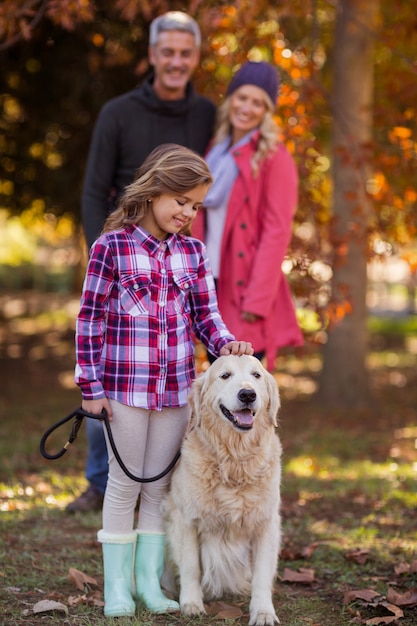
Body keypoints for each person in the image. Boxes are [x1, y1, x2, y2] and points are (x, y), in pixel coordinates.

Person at [74, 143, 253, 617]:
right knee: (123, 484)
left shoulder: (192, 253)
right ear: (154, 190)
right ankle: (116, 588)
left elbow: (206, 317)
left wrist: (227, 344)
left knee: (158, 489)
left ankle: (148, 584)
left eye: (195, 205)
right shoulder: (110, 247)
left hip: (176, 391)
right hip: (124, 390)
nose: (187, 213)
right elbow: (89, 321)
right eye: (181, 201)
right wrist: (91, 389)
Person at [67, 11, 216, 513]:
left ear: (195, 58)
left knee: (159, 462)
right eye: (167, 52)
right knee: (117, 376)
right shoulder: (117, 112)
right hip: (124, 251)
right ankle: (99, 480)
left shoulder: (205, 114)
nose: (176, 61)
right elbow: (93, 189)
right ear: (152, 55)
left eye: (185, 53)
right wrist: (108, 252)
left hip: (172, 261)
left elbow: (204, 182)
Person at [193, 60, 303, 371]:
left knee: (239, 390)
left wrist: (256, 301)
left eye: (258, 102)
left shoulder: (274, 157)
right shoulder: (215, 150)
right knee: (212, 387)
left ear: (267, 111)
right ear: (230, 100)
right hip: (207, 278)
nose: (248, 107)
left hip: (243, 287)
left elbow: (277, 232)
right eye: (242, 97)